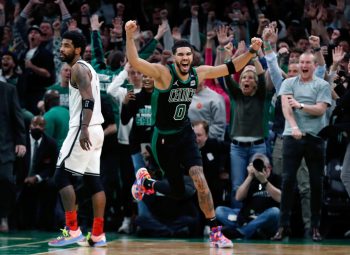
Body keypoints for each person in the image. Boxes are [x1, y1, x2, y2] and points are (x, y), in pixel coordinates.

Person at [125, 19, 262, 248]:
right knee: (178, 192)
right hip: (163, 139)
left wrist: (251, 52)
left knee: (200, 179)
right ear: (174, 58)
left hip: (184, 134)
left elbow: (230, 68)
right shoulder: (162, 74)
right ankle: (146, 182)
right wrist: (129, 37)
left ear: (192, 56)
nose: (185, 58)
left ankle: (216, 232)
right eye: (181, 55)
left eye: (188, 54)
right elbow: (135, 61)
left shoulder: (198, 74)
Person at [48, 31, 106, 247]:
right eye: (61, 45)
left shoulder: (79, 69)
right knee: (93, 181)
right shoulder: (88, 68)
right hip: (96, 129)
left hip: (84, 127)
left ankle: (72, 231)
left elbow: (88, 100)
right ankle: (98, 234)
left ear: (78, 49)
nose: (61, 49)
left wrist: (83, 129)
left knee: (60, 177)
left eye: (66, 45)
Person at [271, 52, 332, 242]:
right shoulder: (288, 83)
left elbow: (320, 109)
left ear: (314, 66)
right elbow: (286, 108)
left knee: (316, 183)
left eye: (307, 62)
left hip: (316, 137)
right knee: (288, 181)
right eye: (301, 62)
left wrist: (300, 106)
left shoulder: (322, 85)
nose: (303, 65)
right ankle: (282, 227)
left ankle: (314, 227)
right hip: (292, 136)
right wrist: (295, 126)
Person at [215, 153, 281, 240]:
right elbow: (238, 198)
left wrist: (264, 181)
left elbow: (280, 198)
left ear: (269, 168)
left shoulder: (276, 179)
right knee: (220, 211)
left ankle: (242, 232)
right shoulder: (250, 180)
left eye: (262, 166)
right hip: (248, 217)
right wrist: (250, 176)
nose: (259, 169)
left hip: (266, 219)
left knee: (275, 212)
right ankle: (252, 231)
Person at [0, 80, 26, 232]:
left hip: (4, 145)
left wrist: (21, 141)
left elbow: (18, 116)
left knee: (5, 179)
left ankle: (3, 215)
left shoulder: (8, 90)